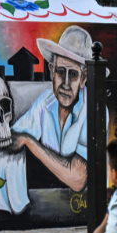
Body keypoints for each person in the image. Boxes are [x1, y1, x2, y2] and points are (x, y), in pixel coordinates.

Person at [11, 26, 106, 193]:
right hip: (52, 196)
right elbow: (15, 136)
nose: (66, 83)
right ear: (51, 72)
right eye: (61, 72)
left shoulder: (94, 108)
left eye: (73, 74)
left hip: (86, 203)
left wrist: (30, 142)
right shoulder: (46, 101)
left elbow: (78, 179)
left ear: (83, 78)